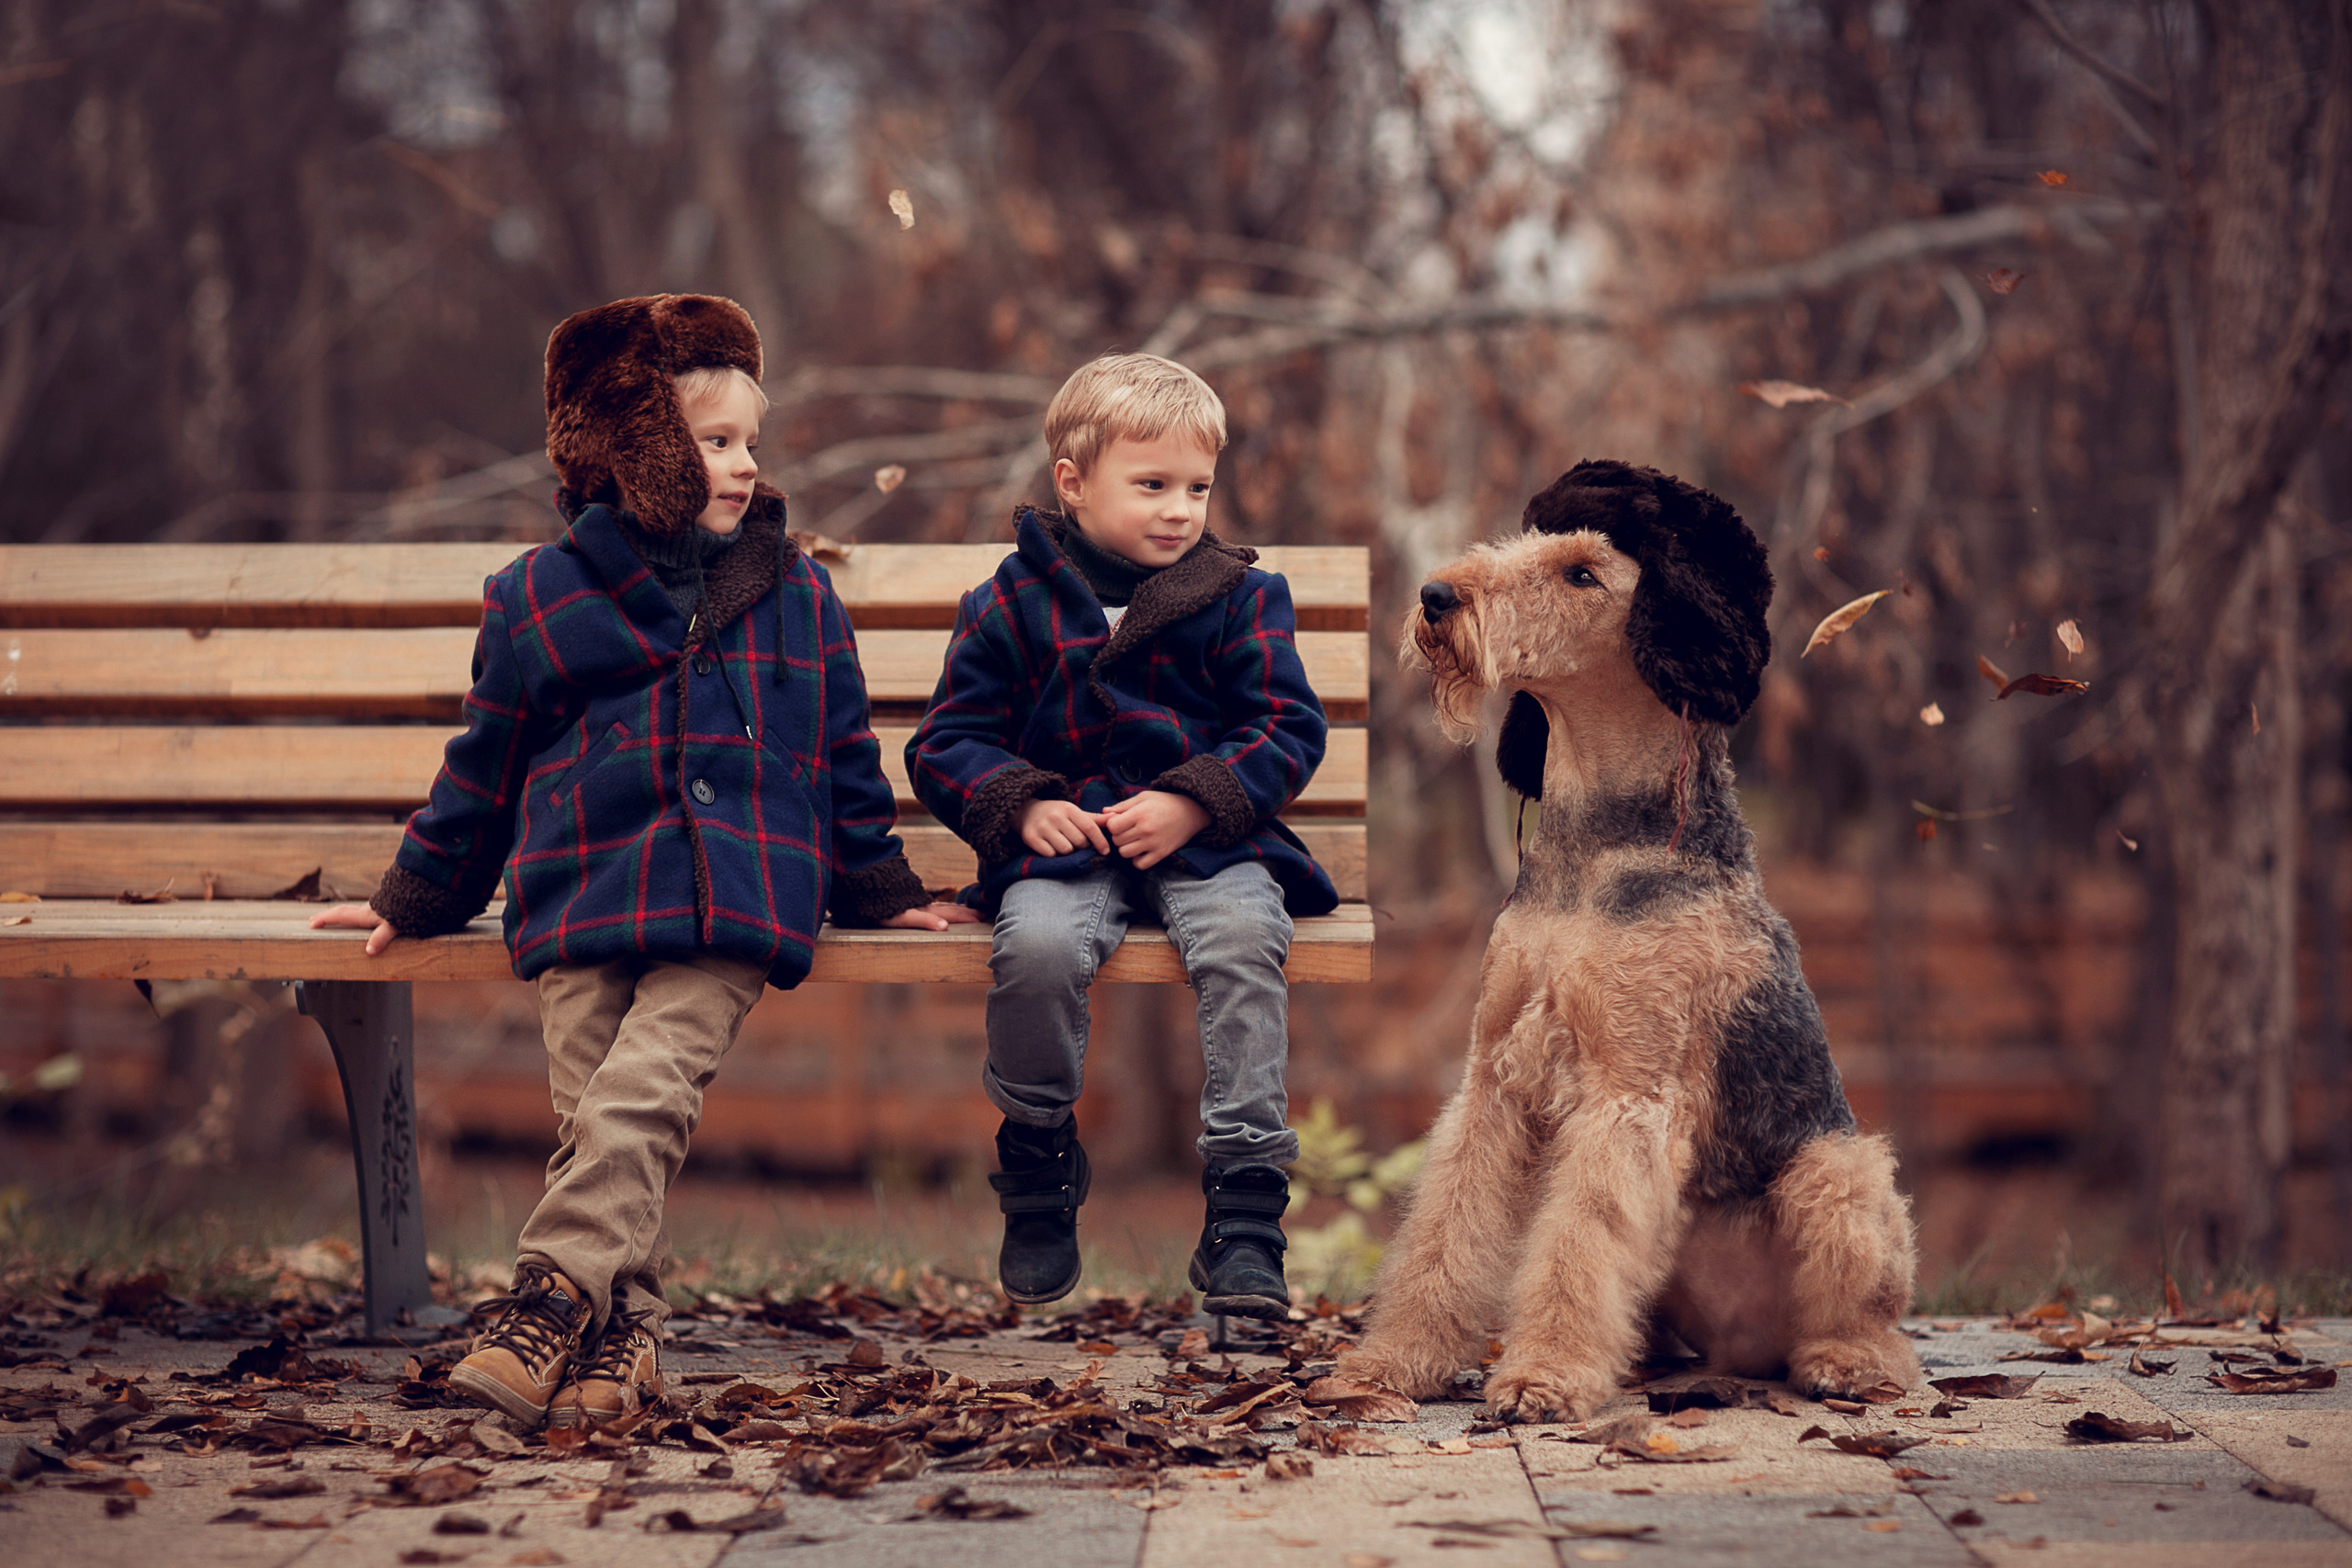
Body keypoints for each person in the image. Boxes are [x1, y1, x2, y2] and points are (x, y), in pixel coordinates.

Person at [311, 293, 976, 1427]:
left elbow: (845, 756)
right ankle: (625, 1343)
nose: (743, 467)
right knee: (592, 1116)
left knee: (642, 1097)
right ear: (634, 447)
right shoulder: (538, 599)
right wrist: (417, 893)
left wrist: (880, 886)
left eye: (750, 444)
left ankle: (544, 1292)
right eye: (715, 443)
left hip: (736, 902)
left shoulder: (797, 592)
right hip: (581, 897)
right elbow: (484, 767)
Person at [906, 351, 1336, 1320]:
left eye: (1196, 487)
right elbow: (945, 741)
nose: (1180, 509)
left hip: (1210, 844)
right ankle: (1036, 1155)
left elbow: (1285, 725)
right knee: (1040, 946)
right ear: (1073, 483)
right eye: (1151, 486)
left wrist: (1198, 796)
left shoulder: (1238, 595)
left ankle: (1245, 1207)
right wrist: (1018, 801)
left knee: (1240, 943)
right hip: (1068, 845)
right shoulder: (1010, 602)